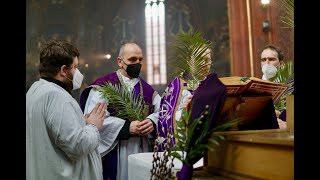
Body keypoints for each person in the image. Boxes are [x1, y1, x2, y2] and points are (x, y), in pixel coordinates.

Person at [26, 39, 107, 180]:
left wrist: (82, 123)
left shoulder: (34, 90)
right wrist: (94, 126)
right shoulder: (57, 97)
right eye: (75, 67)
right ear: (63, 70)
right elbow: (77, 145)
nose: (78, 73)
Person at [79, 42, 161, 180]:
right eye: (132, 59)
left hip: (142, 149)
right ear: (119, 61)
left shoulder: (148, 90)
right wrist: (126, 127)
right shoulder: (104, 86)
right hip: (115, 150)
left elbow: (163, 111)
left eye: (140, 59)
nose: (138, 63)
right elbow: (93, 120)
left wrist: (152, 121)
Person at [260, 44, 287, 129]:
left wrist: (288, 123)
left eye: (271, 59)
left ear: (281, 64)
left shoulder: (290, 86)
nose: (267, 63)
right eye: (263, 60)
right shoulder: (255, 86)